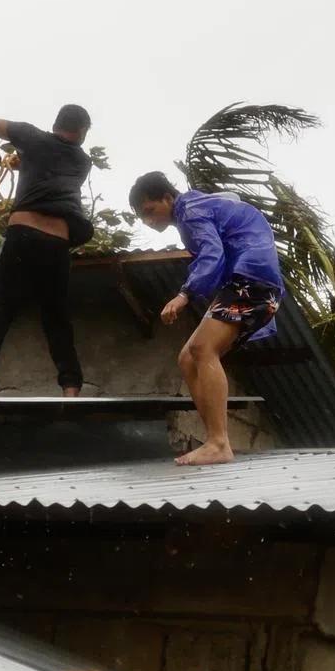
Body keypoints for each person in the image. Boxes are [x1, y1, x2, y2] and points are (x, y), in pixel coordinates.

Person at [128, 171, 284, 466]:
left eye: (150, 210)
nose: (149, 220)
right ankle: (216, 439)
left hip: (252, 278)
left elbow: (212, 254)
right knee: (188, 358)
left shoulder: (190, 209)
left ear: (168, 198)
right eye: (142, 217)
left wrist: (184, 295)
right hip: (248, 281)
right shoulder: (202, 206)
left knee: (202, 349)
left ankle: (218, 443)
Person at [0, 105, 96, 397]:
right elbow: (50, 174)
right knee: (56, 318)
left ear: (55, 122)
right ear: (83, 132)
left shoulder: (33, 137)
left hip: (23, 235)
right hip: (57, 245)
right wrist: (21, 162)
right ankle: (71, 388)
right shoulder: (82, 162)